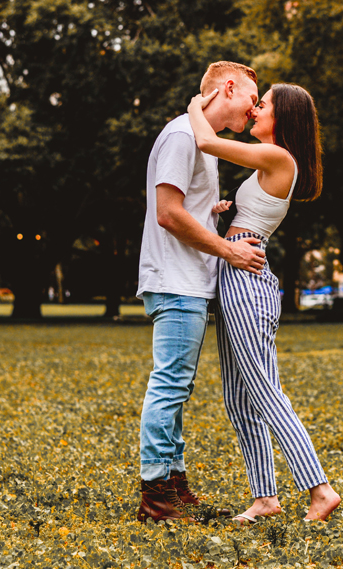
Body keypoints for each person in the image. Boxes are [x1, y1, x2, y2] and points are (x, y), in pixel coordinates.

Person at [187, 83, 341, 524]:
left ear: (285, 116)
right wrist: (221, 213)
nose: (255, 109)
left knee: (265, 392)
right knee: (239, 399)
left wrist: (197, 105)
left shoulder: (279, 157)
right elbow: (249, 218)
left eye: (264, 104)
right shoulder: (267, 166)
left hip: (247, 282)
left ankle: (320, 489)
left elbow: (207, 141)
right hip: (236, 277)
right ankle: (265, 498)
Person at [135, 61, 268, 523]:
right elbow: (168, 214)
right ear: (228, 88)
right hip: (175, 281)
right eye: (253, 98)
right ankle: (156, 497)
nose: (254, 109)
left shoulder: (203, 144)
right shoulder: (180, 136)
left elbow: (183, 206)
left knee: (178, 386)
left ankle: (174, 484)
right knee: (169, 385)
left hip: (188, 281)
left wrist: (211, 210)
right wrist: (228, 252)